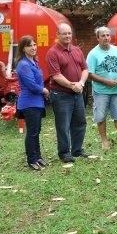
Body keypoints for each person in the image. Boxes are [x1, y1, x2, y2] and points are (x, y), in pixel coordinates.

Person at [46, 23, 89, 162]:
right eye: (64, 33)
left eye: (69, 33)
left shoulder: (77, 50)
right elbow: (56, 75)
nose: (67, 36)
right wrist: (72, 86)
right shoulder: (53, 53)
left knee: (80, 122)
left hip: (77, 93)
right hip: (61, 95)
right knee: (63, 125)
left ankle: (77, 150)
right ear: (57, 35)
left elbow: (85, 69)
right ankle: (64, 153)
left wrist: (81, 83)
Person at [87, 26, 117, 150]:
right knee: (100, 117)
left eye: (108, 35)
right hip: (101, 91)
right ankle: (104, 141)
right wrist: (106, 81)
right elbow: (90, 74)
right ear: (98, 38)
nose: (106, 38)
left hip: (116, 90)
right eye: (103, 36)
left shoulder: (116, 50)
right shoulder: (93, 54)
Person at [16, 35, 49, 170]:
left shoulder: (33, 62)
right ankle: (31, 160)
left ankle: (38, 157)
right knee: (32, 132)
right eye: (30, 45)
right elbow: (31, 85)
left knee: (36, 131)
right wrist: (44, 90)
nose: (33, 47)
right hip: (29, 103)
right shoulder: (23, 64)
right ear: (23, 48)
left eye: (34, 45)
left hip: (36, 102)